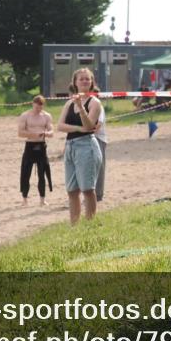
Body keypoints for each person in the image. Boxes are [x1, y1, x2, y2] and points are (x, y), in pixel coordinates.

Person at [56, 68, 104, 225]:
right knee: (71, 190)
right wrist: (76, 128)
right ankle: (74, 225)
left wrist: (82, 108)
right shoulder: (69, 103)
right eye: (81, 79)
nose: (84, 81)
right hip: (70, 146)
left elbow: (89, 126)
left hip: (86, 146)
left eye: (87, 79)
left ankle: (90, 224)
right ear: (75, 82)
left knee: (87, 189)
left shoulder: (94, 102)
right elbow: (60, 126)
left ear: (91, 83)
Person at [17, 95, 54, 205]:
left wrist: (46, 133)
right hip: (30, 145)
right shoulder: (25, 115)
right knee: (26, 172)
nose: (38, 109)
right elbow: (20, 133)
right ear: (33, 104)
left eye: (40, 107)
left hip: (41, 145)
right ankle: (24, 199)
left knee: (42, 173)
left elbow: (52, 131)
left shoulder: (46, 116)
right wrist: (33, 134)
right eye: (37, 107)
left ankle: (42, 199)